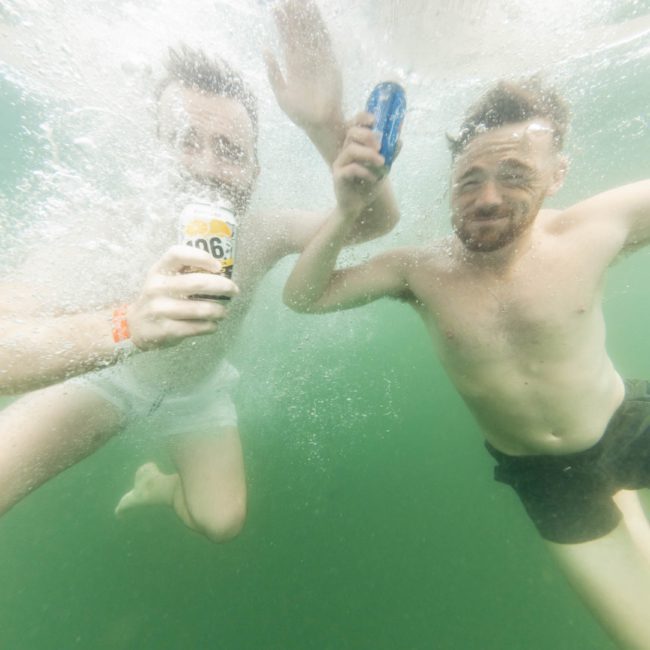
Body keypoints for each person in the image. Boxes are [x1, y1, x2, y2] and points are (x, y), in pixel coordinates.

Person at [0, 0, 398, 544]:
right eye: (187, 142)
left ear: (255, 170)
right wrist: (124, 325)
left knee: (222, 523)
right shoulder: (107, 232)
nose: (207, 167)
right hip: (107, 381)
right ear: (157, 154)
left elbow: (372, 221)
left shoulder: (261, 230)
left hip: (197, 392)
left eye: (229, 150)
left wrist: (325, 125)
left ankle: (159, 485)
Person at [283, 76, 650, 647]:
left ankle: (623, 493)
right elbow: (304, 297)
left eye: (515, 175)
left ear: (558, 175)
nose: (487, 199)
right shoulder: (420, 270)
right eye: (469, 180)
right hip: (549, 479)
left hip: (629, 421)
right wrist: (346, 209)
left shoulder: (596, 226)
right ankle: (618, 500)